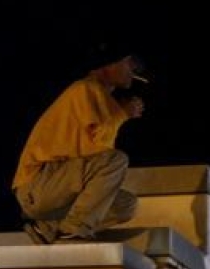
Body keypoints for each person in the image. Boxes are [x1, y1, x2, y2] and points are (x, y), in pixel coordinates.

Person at [12, 40, 146, 244]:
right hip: (39, 184)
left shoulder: (103, 99)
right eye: (129, 62)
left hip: (61, 186)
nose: (134, 69)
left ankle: (48, 228)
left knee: (125, 205)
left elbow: (96, 154)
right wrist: (123, 113)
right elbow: (100, 144)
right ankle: (73, 232)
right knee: (116, 160)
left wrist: (119, 113)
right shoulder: (84, 88)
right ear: (109, 64)